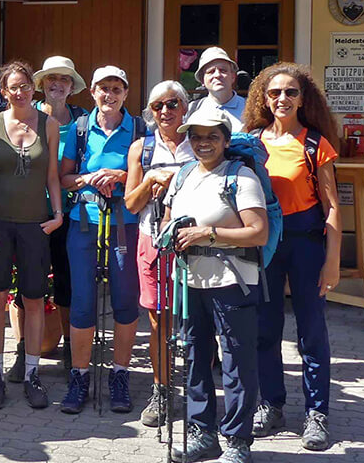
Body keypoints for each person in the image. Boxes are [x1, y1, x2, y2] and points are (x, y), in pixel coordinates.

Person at [243, 63, 341, 452]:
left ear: (304, 98)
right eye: (274, 93)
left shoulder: (316, 143)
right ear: (262, 98)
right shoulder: (249, 141)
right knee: (264, 329)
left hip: (305, 242)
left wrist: (333, 259)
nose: (282, 99)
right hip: (264, 242)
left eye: (291, 92)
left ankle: (317, 414)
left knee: (311, 330)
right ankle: (271, 405)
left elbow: (332, 206)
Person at [162, 109, 268, 463]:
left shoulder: (241, 176)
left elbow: (258, 232)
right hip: (189, 280)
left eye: (211, 136)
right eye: (196, 136)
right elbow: (167, 220)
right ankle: (202, 433)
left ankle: (237, 441)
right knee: (194, 357)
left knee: (237, 360)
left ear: (225, 140)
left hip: (231, 280)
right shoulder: (183, 175)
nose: (203, 143)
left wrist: (208, 233)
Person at [0, 61, 63, 411]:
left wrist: (57, 215)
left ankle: (31, 374)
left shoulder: (50, 125)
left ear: (33, 88)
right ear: (4, 92)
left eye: (25, 85)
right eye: (13, 86)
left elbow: (53, 176)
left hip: (35, 225)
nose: (20, 91)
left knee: (33, 300)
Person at [58, 65, 142, 415]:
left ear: (125, 92)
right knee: (82, 301)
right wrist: (89, 178)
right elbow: (63, 178)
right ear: (92, 91)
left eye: (116, 88)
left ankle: (119, 376)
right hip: (83, 223)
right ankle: (80, 376)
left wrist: (121, 175)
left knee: (125, 300)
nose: (110, 95)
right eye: (103, 88)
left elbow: (148, 172)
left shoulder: (138, 128)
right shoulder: (79, 129)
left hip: (125, 221)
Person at [124, 80, 195, 427]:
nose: (165, 112)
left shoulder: (199, 142)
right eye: (157, 106)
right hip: (152, 240)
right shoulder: (142, 148)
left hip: (193, 243)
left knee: (197, 319)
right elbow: (130, 203)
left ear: (184, 107)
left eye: (172, 104)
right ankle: (161, 389)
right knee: (158, 321)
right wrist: (150, 182)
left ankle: (198, 393)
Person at [23, 55, 88, 376]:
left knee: (67, 282)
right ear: (42, 85)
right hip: (31, 212)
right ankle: (25, 351)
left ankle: (67, 347)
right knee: (26, 284)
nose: (57, 85)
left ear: (71, 87)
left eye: (63, 79)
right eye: (51, 79)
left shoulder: (83, 123)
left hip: (72, 214)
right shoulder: (28, 118)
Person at [186, 47, 246, 132]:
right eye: (211, 71)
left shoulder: (249, 108)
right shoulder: (192, 109)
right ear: (202, 80)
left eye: (223, 70)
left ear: (233, 77)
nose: (217, 75)